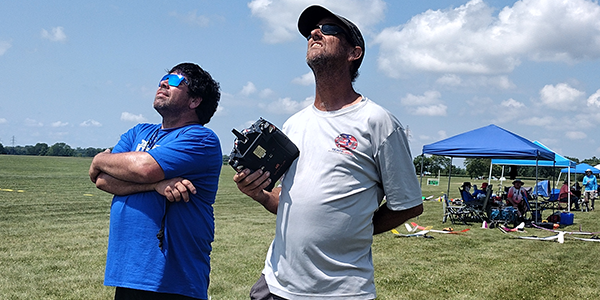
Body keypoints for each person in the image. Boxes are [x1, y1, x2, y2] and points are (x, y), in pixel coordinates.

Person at [233, 5, 423, 300]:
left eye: (329, 29)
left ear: (354, 53)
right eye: (311, 31)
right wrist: (258, 193)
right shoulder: (294, 123)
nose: (314, 33)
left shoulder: (377, 121)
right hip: (276, 285)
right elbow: (287, 200)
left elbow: (409, 205)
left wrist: (358, 229)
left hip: (342, 291)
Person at [89, 63, 221, 300]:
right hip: (129, 273)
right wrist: (155, 185)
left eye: (174, 81)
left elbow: (145, 168)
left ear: (195, 101)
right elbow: (102, 179)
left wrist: (102, 158)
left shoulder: (201, 138)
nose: (163, 83)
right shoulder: (138, 132)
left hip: (173, 280)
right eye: (164, 78)